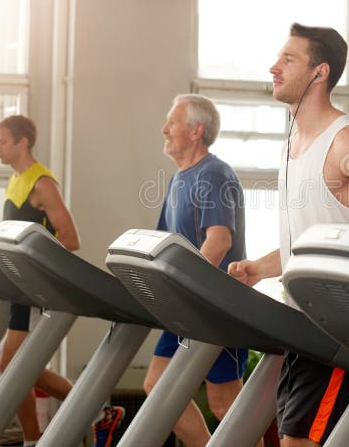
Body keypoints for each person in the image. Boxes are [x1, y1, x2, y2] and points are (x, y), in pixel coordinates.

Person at [228, 23, 349, 447]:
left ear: (320, 73)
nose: (273, 68)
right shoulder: (292, 146)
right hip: (304, 322)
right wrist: (261, 268)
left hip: (344, 328)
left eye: (288, 60)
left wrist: (339, 286)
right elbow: (314, 239)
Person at [144, 94, 255, 447]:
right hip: (186, 306)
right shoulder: (179, 179)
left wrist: (183, 287)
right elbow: (164, 244)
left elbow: (218, 242)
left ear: (196, 131)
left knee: (224, 402)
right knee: (157, 386)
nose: (164, 129)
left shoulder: (214, 174)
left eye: (172, 122)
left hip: (216, 305)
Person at [0, 115, 87, 446]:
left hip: (37, 289)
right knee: (20, 370)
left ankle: (37, 436)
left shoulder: (42, 184)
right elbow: (17, 238)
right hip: (20, 286)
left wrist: (30, 261)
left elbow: (71, 239)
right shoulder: (15, 181)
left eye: (3, 141)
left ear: (23, 143)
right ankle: (85, 413)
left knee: (13, 367)